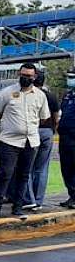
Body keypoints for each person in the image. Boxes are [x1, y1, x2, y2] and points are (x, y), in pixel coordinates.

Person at [0, 63, 50, 220]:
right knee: (5, 174)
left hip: (31, 141)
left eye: (29, 76)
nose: (25, 78)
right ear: (18, 74)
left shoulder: (40, 95)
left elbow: (44, 117)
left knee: (24, 175)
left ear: (34, 77)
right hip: (9, 141)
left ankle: (17, 209)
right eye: (23, 74)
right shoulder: (7, 92)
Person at [22, 71, 59, 211]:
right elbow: (56, 116)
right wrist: (52, 129)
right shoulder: (51, 96)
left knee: (27, 167)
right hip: (47, 132)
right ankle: (38, 201)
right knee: (42, 168)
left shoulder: (31, 95)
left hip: (33, 131)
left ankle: (28, 199)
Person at [58, 68, 75, 209]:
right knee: (66, 167)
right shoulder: (68, 95)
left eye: (72, 77)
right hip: (64, 136)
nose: (69, 80)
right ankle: (72, 195)